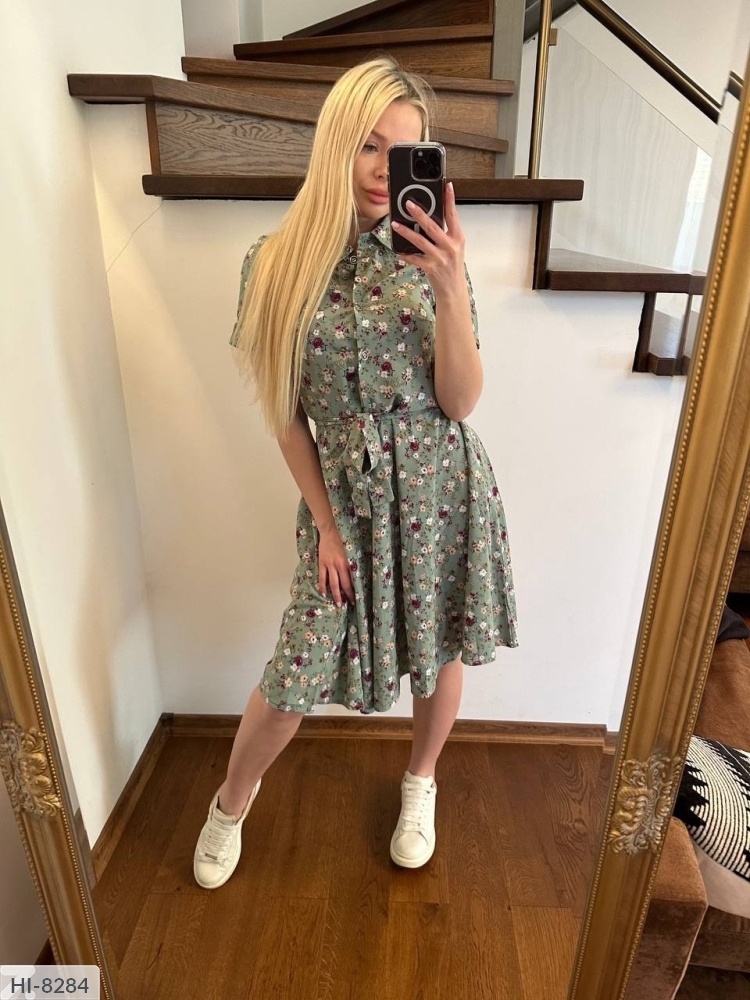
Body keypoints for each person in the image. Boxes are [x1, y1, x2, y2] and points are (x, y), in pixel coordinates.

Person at [194, 54, 519, 890]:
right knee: (294, 673)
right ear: (336, 144)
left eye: (404, 152)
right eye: (369, 145)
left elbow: (461, 401)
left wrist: (449, 285)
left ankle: (421, 783)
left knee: (440, 645)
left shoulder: (434, 257)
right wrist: (328, 527)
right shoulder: (273, 264)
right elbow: (285, 414)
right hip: (343, 500)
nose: (383, 170)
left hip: (441, 487)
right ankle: (230, 802)